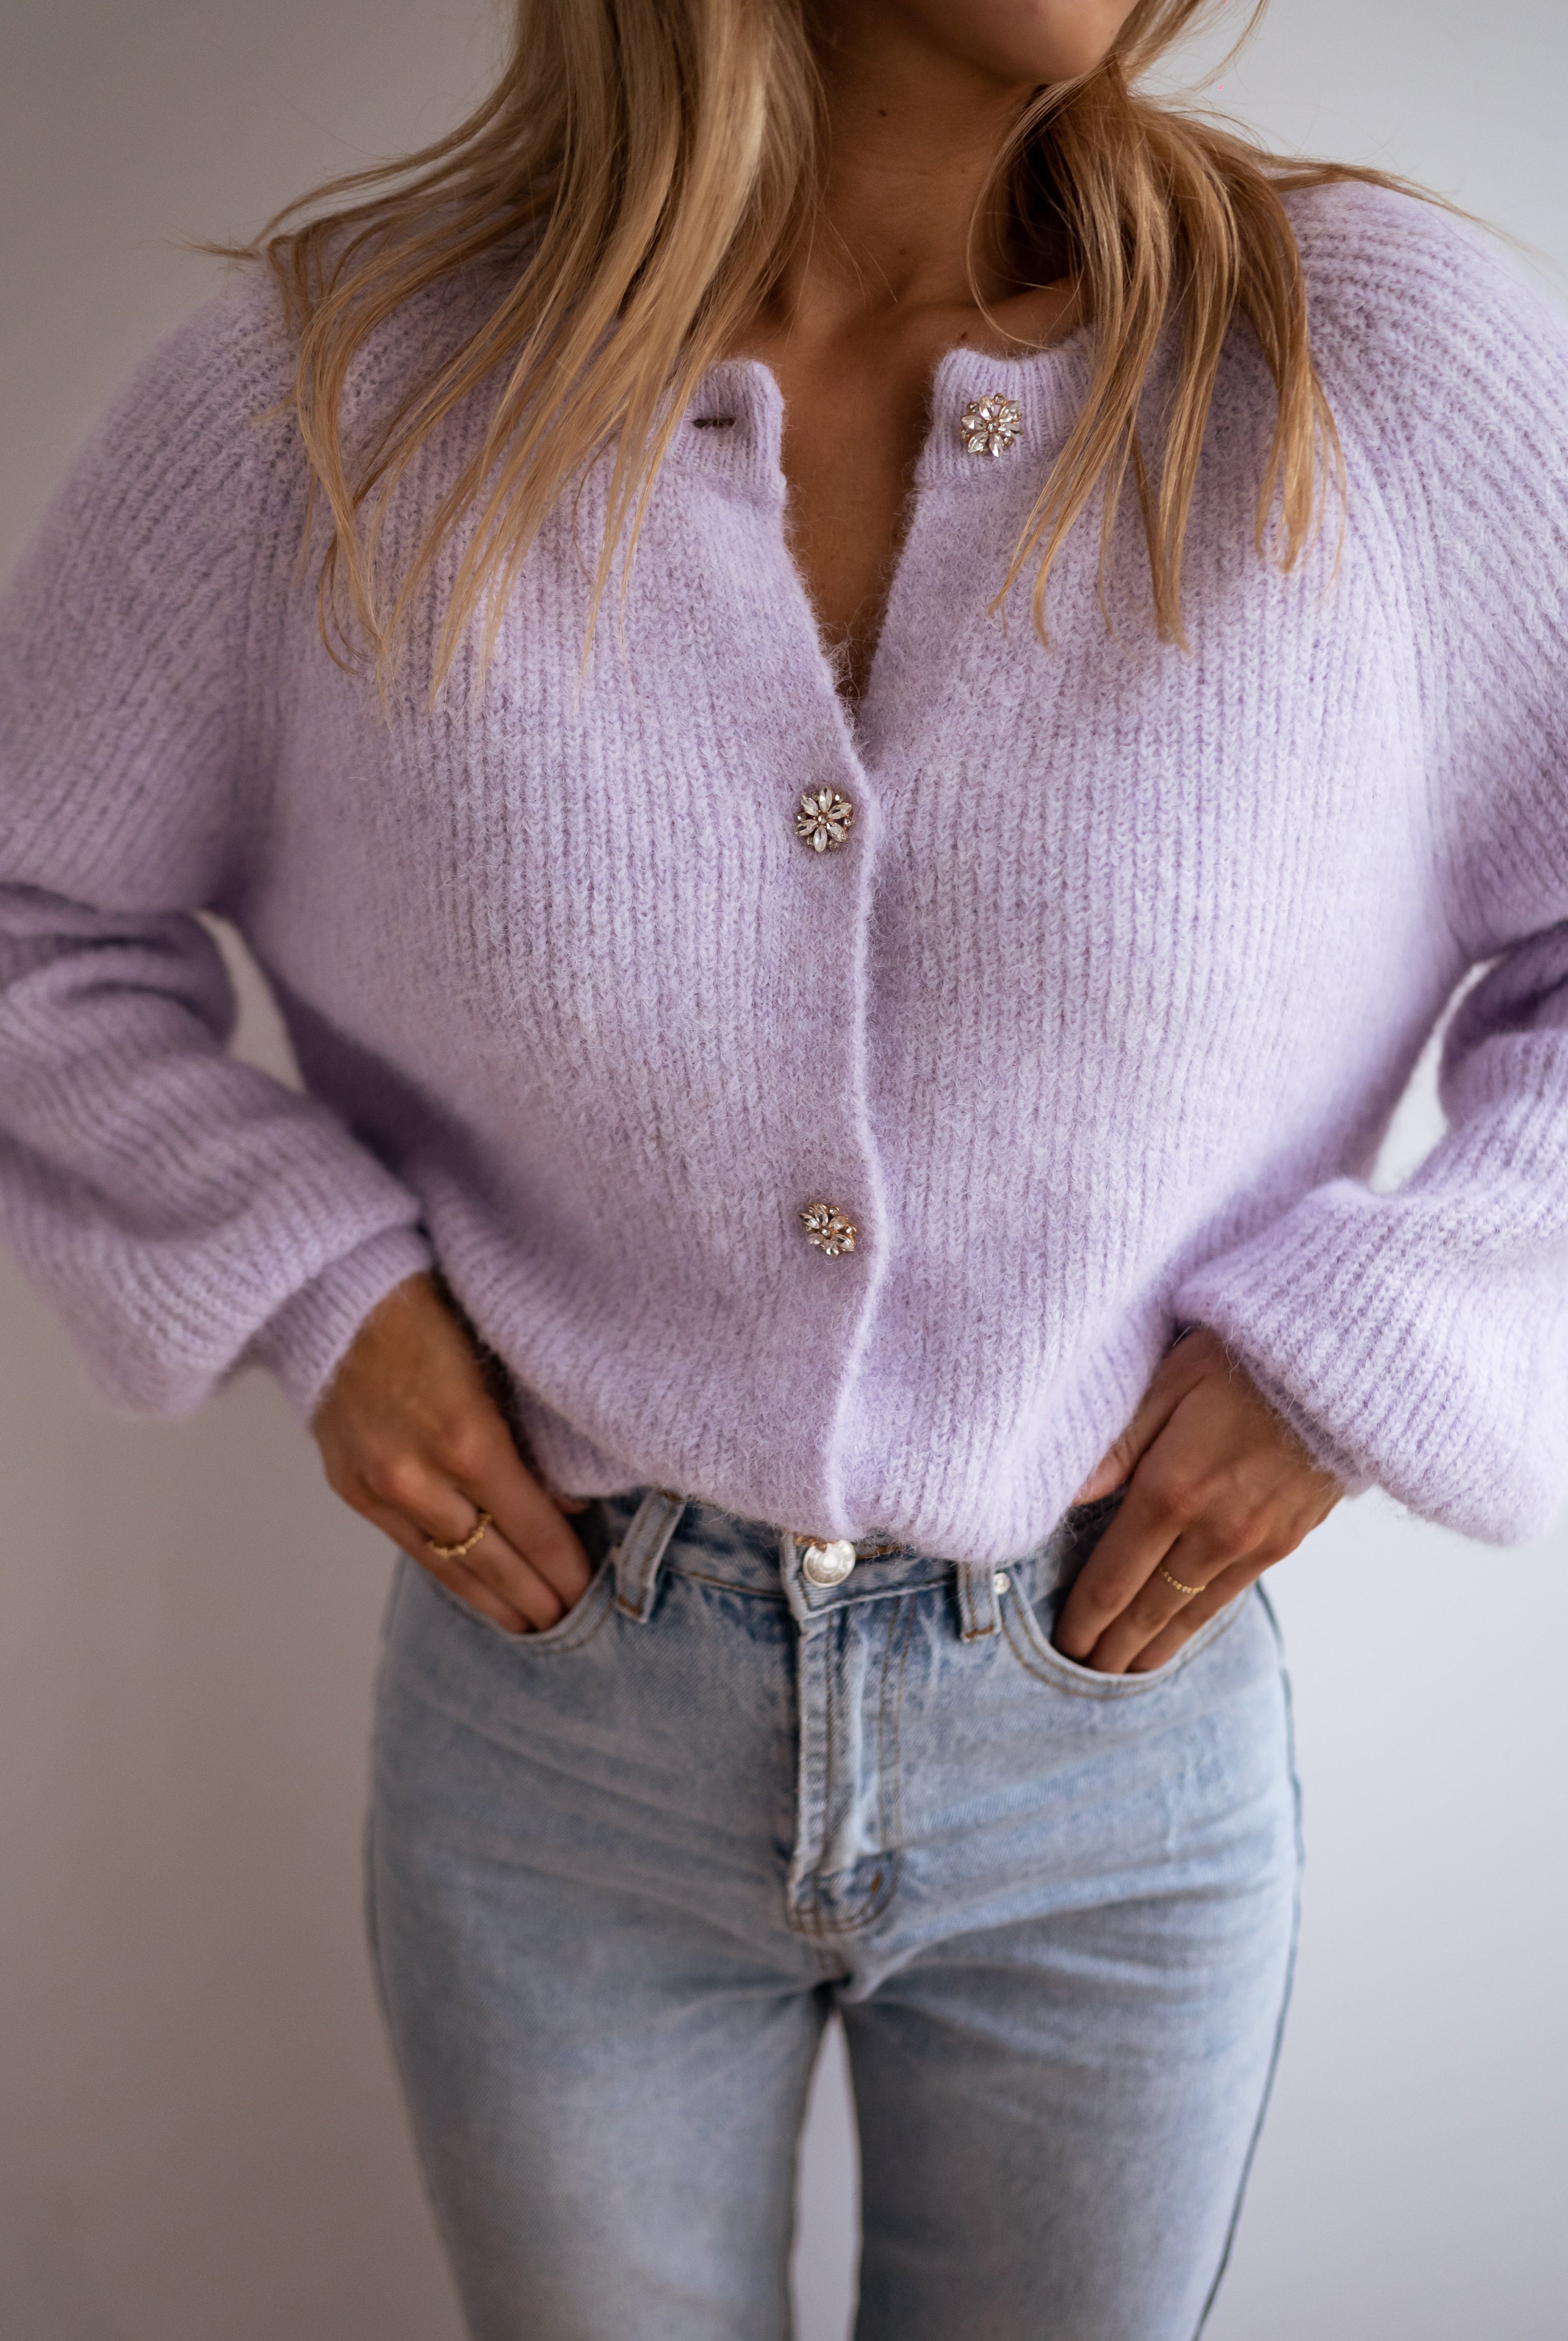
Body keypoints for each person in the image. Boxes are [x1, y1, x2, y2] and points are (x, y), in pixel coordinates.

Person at [3, 0, 1565, 2333]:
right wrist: (313, 1281)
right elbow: (31, 917)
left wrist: (1371, 1345)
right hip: (556, 1718)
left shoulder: (1367, 369)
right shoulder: (332, 397)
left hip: (1106, 1719)